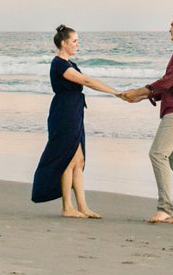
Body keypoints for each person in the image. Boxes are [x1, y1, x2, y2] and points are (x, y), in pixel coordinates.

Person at [121, 11, 173, 225]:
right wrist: (141, 97)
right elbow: (171, 84)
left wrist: (140, 92)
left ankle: (165, 208)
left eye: (172, 24)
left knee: (157, 154)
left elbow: (168, 81)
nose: (169, 28)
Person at [30, 24, 118, 218]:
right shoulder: (59, 64)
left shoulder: (69, 63)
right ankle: (67, 207)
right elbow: (86, 81)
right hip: (64, 113)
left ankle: (82, 206)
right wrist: (116, 92)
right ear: (64, 43)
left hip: (74, 112)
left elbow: (84, 80)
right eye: (74, 41)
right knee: (67, 158)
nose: (78, 44)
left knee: (79, 160)